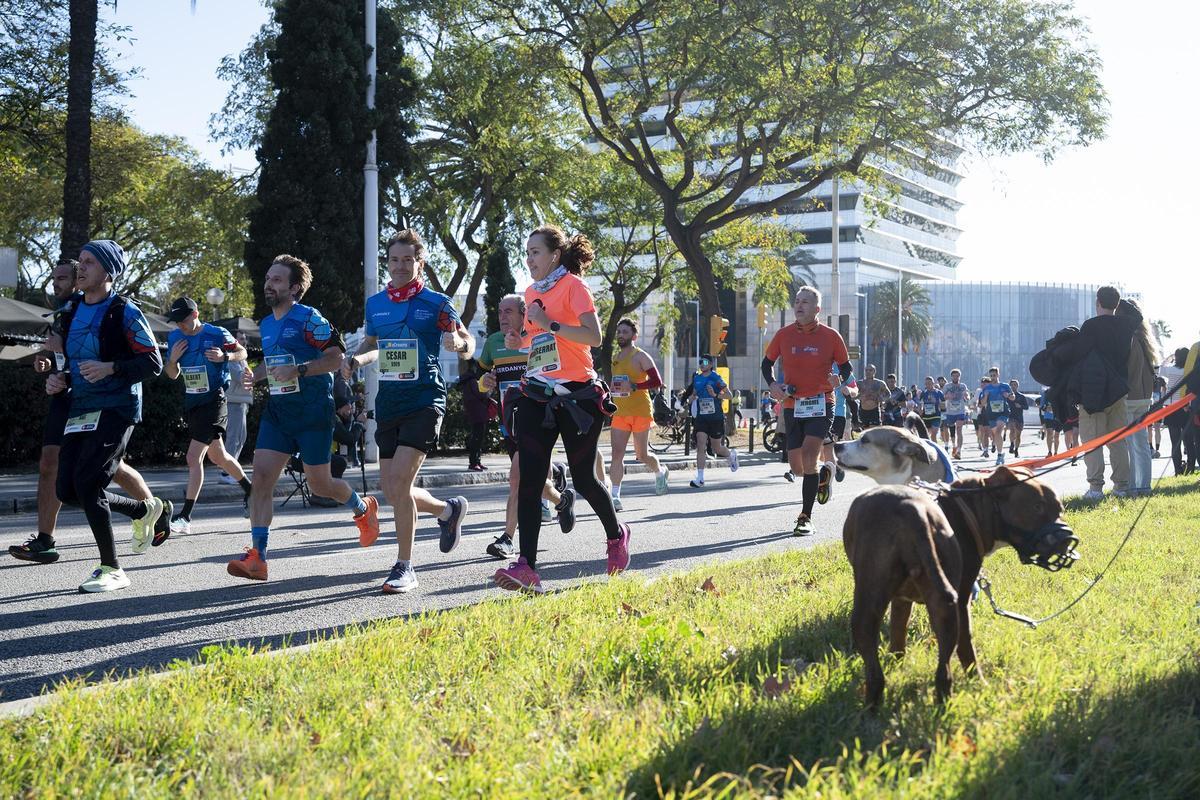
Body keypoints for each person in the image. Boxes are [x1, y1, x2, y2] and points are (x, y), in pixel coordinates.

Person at [492, 225, 632, 593]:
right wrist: (518, 338)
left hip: (578, 396)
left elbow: (594, 337)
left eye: (535, 252)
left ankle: (617, 536)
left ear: (554, 255)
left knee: (584, 478)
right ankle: (527, 566)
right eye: (526, 253)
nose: (529, 259)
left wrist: (548, 323)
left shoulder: (574, 287)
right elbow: (534, 340)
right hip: (538, 393)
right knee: (529, 478)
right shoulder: (530, 291)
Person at [231, 254, 380, 583]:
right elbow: (275, 366)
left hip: (313, 412)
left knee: (320, 485)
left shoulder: (309, 318)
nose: (269, 283)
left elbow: (335, 356)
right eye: (268, 278)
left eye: (277, 280)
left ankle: (362, 508)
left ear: (295, 288)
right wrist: (255, 376)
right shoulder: (267, 324)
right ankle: (258, 557)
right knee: (262, 481)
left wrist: (299, 369)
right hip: (279, 412)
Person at [8, 260, 166, 566]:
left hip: (103, 397)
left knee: (106, 470)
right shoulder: (64, 313)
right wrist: (49, 367)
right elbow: (58, 354)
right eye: (54, 279)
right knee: (53, 467)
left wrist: (78, 362)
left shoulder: (108, 310)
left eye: (63, 278)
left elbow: (107, 354)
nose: (57, 283)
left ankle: (148, 513)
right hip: (69, 396)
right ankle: (45, 539)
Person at [341, 231, 473, 593]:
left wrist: (458, 343)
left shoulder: (436, 303)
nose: (400, 266)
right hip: (390, 402)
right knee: (394, 488)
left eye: (407, 260)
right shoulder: (376, 304)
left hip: (425, 400)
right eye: (394, 260)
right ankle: (447, 512)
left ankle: (405, 566)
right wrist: (356, 359)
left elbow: (467, 341)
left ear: (420, 263)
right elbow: (373, 346)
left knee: (399, 484)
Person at [45, 241, 167, 592]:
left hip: (117, 407)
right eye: (80, 261)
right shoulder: (70, 312)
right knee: (67, 489)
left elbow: (152, 363)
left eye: (89, 263)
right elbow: (72, 366)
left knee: (88, 481)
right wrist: (58, 379)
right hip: (81, 408)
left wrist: (111, 367)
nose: (80, 268)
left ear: (108, 272)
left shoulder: (123, 312)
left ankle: (112, 568)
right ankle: (143, 511)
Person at [476, 293, 573, 560]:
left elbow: (557, 371)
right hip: (510, 423)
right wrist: (485, 382)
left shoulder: (538, 338)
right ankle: (562, 499)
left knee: (517, 478)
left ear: (523, 314)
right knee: (533, 479)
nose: (502, 317)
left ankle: (507, 538)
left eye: (508, 312)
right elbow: (480, 381)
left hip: (537, 417)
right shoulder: (494, 342)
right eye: (499, 312)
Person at [762, 285, 852, 536]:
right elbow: (766, 364)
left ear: (817, 309)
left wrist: (839, 381)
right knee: (799, 468)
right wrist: (774, 385)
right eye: (797, 301)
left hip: (821, 403)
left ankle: (805, 517)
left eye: (805, 302)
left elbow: (846, 367)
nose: (799, 305)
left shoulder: (831, 336)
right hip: (792, 405)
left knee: (811, 454)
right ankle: (824, 474)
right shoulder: (784, 335)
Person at [162, 297, 252, 535]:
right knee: (219, 456)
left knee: (193, 458)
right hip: (193, 402)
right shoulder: (175, 338)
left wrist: (225, 357)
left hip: (215, 399)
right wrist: (172, 360)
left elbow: (242, 352)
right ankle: (252, 492)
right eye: (176, 321)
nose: (180, 325)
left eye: (183, 320)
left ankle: (185, 516)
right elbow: (171, 374)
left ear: (195, 314)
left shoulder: (216, 333)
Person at [1061, 286, 1141, 500]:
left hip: (1094, 392)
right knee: (1118, 440)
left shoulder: (1090, 326)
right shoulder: (1126, 325)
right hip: (1118, 390)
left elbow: (1080, 357)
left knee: (1092, 441)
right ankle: (1121, 487)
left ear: (1097, 303)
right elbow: (1137, 316)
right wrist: (1118, 302)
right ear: (1116, 303)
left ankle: (1096, 487)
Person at [608, 317, 670, 508]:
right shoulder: (616, 358)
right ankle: (615, 496)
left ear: (634, 336)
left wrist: (635, 385)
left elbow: (656, 381)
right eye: (619, 332)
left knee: (641, 455)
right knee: (617, 454)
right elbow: (617, 384)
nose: (621, 335)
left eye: (625, 332)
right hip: (620, 411)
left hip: (640, 411)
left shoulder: (640, 356)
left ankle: (660, 472)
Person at [680, 355, 739, 488]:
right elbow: (694, 393)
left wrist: (715, 395)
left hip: (716, 418)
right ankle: (700, 478)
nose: (702, 364)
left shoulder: (716, 378)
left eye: (705, 362)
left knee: (716, 448)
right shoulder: (697, 378)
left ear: (711, 364)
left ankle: (731, 455)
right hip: (702, 417)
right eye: (700, 362)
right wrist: (691, 398)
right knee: (701, 445)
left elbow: (729, 395)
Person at [1118, 301, 1156, 496]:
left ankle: (1132, 486)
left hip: (1129, 398)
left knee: (1129, 446)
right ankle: (1143, 486)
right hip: (1143, 398)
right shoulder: (1145, 339)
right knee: (1141, 445)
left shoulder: (1128, 338)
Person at [220, 331, 254, 484]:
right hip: (234, 401)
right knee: (234, 437)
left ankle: (232, 470)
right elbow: (242, 377)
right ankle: (226, 473)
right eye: (241, 339)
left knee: (241, 437)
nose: (244, 342)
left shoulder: (241, 358)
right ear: (233, 340)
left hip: (242, 401)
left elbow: (247, 376)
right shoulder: (231, 359)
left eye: (244, 339)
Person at [456, 360, 495, 472]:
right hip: (478, 413)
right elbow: (481, 394)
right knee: (477, 438)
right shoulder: (472, 381)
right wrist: (489, 391)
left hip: (475, 412)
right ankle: (474, 463)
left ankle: (477, 461)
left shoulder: (467, 380)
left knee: (477, 438)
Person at [1161, 347, 1192, 475]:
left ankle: (1177, 469)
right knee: (1189, 440)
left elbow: (1161, 369)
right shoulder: (1189, 371)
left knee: (1175, 442)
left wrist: (1169, 358)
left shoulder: (1171, 370)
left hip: (1171, 407)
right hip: (1185, 406)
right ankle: (1190, 466)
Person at [978, 366, 1014, 465]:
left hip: (1003, 412)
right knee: (996, 435)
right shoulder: (986, 388)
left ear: (998, 375)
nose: (993, 377)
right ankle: (1001, 453)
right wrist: (986, 396)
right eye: (991, 376)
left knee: (998, 432)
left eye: (994, 375)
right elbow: (982, 403)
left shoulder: (1005, 386)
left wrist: (1008, 395)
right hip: (991, 414)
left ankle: (999, 456)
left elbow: (1013, 398)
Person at [941, 368, 970, 459]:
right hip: (950, 411)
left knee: (959, 429)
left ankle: (959, 451)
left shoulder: (963, 386)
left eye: (957, 376)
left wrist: (967, 397)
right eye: (954, 376)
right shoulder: (947, 386)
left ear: (959, 376)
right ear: (951, 376)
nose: (956, 377)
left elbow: (967, 395)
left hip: (960, 411)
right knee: (952, 430)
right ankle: (954, 445)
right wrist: (948, 396)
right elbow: (943, 397)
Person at [1006, 378, 1029, 458]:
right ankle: (1012, 443)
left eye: (1015, 385)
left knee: (1018, 435)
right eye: (1012, 385)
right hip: (1011, 416)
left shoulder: (1021, 396)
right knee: (1012, 430)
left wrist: (1020, 406)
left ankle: (1016, 450)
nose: (1013, 386)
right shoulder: (1007, 396)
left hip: (1019, 417)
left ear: (1018, 386)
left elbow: (1026, 407)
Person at [1037, 389, 1062, 457]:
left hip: (1059, 416)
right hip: (1048, 416)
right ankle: (1049, 452)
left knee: (1056, 435)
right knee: (1049, 433)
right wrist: (1046, 408)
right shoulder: (1046, 392)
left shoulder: (1061, 390)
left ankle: (1056, 453)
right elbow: (1042, 405)